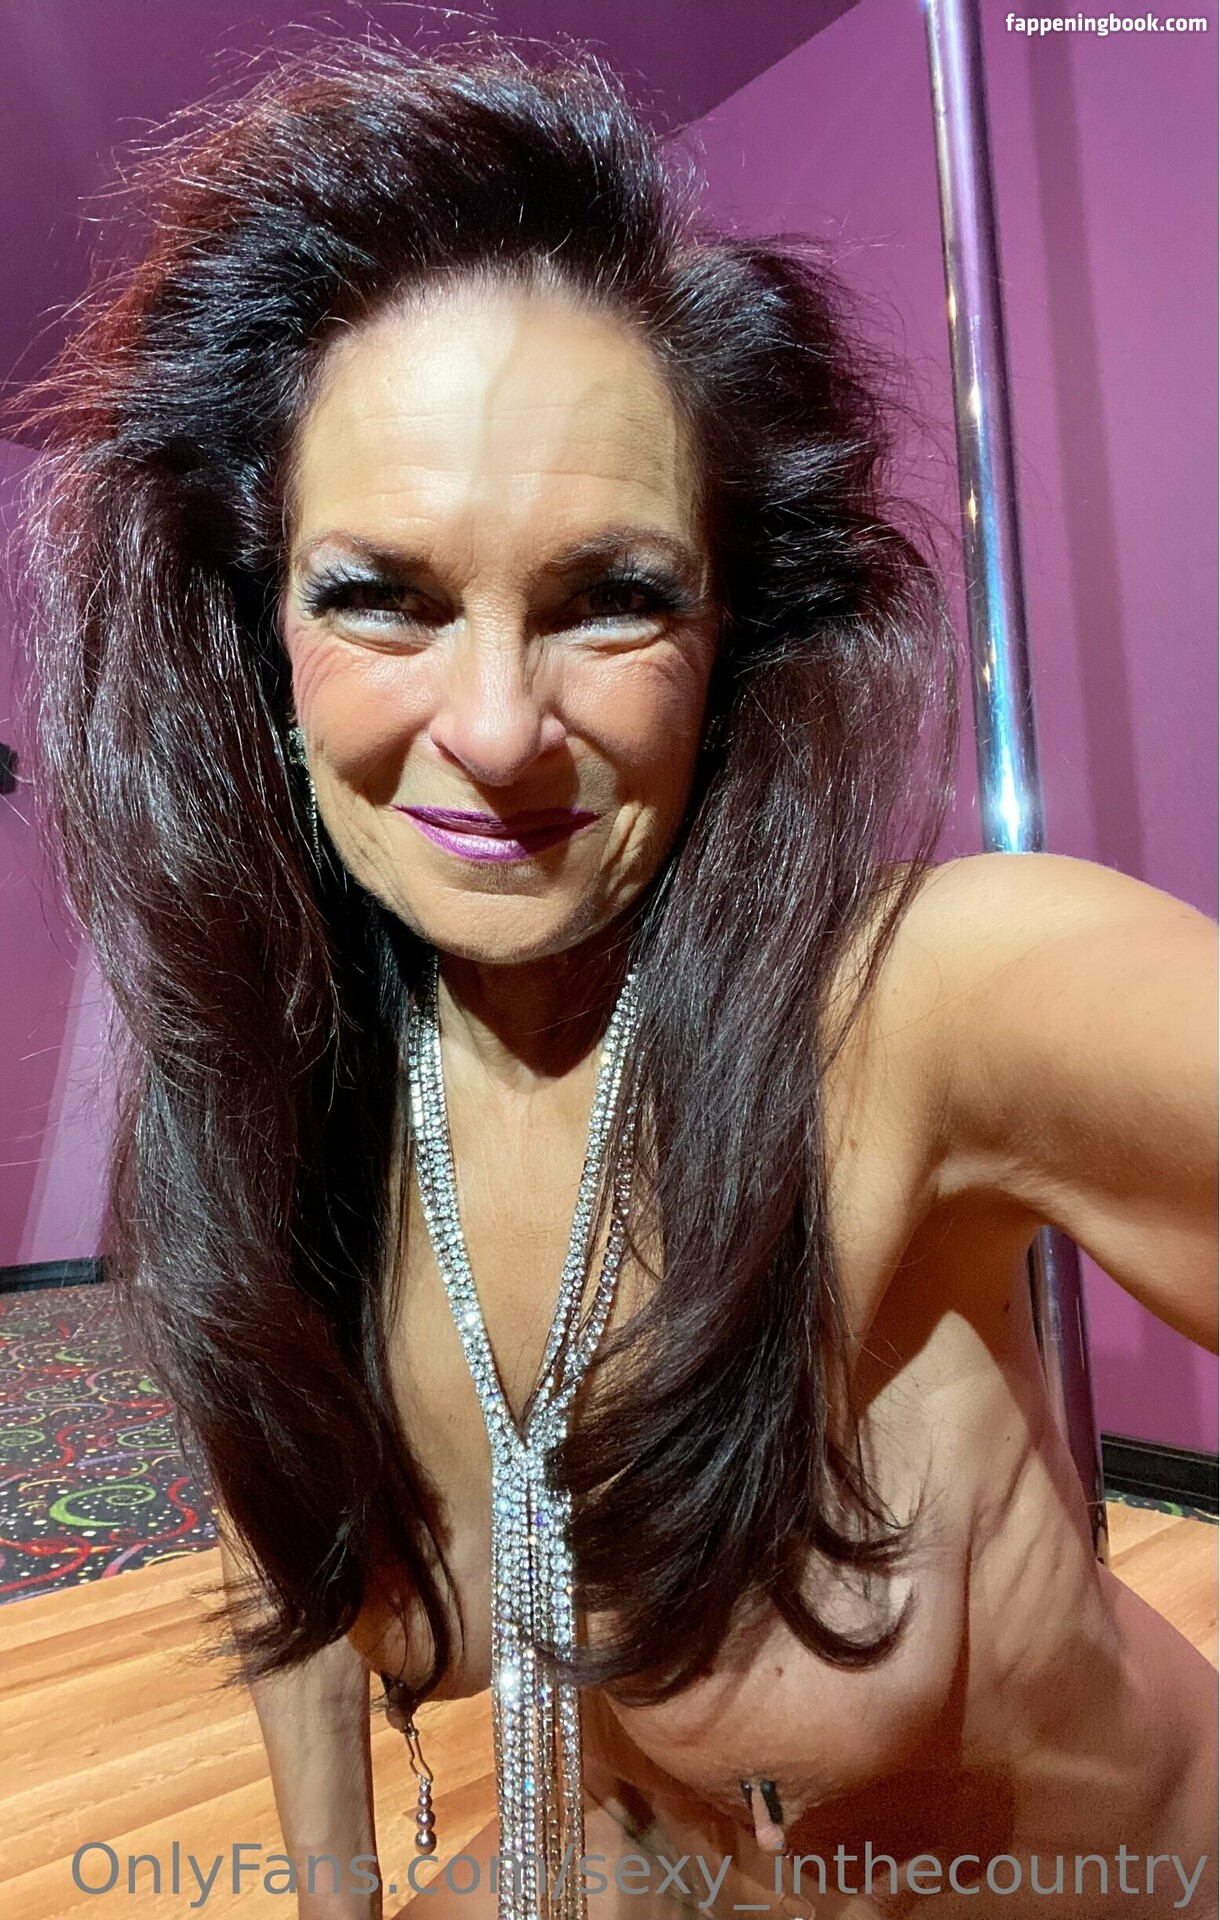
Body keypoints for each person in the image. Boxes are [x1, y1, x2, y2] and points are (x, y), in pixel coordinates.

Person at [21, 39, 1217, 1920]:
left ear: (735, 633)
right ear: (257, 630)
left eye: (613, 597)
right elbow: (293, 1550)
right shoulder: (301, 1103)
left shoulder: (917, 1010)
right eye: (381, 595)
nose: (498, 729)